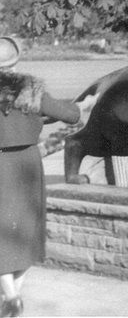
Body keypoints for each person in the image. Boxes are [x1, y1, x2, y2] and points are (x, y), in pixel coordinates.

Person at [0, 37, 96, 317]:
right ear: (16, 62)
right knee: (27, 229)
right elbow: (70, 115)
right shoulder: (31, 90)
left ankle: (11, 296)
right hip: (26, 164)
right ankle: (13, 294)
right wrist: (87, 104)